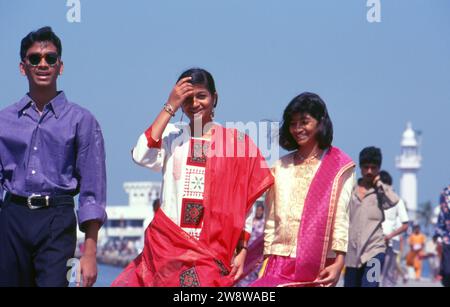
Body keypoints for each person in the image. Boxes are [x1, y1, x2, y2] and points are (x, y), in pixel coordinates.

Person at [112, 68, 273, 287]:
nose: (194, 103)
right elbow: (141, 155)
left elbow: (245, 204)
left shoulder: (235, 145)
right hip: (168, 247)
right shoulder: (171, 136)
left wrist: (243, 249)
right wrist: (170, 105)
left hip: (211, 251)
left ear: (214, 98)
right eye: (187, 98)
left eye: (201, 96)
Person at [0, 27, 106, 287]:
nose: (43, 64)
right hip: (11, 218)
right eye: (35, 58)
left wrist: (89, 253)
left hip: (57, 220)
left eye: (50, 58)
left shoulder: (82, 121)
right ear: (23, 67)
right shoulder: (3, 121)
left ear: (61, 66)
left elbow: (93, 191)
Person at [251, 92, 356, 287]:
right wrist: (266, 262)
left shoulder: (339, 166)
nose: (298, 129)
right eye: (293, 123)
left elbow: (341, 217)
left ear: (320, 122)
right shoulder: (280, 166)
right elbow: (271, 219)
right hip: (278, 261)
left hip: (318, 263)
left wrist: (340, 261)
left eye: (304, 122)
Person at [344, 147, 400, 287]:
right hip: (352, 253)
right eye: (366, 167)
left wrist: (379, 183)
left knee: (371, 284)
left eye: (373, 168)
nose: (369, 171)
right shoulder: (351, 189)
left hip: (375, 250)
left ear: (378, 169)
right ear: (361, 168)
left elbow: (393, 201)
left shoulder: (381, 191)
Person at [379, 170, 409, 287]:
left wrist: (390, 236)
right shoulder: (374, 199)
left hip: (391, 243)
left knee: (389, 277)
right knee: (373, 276)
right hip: (375, 244)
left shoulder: (398, 201)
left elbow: (405, 224)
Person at [236, 203, 265, 287]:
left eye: (261, 210)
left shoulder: (264, 224)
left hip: (256, 255)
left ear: (263, 211)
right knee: (242, 271)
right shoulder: (251, 221)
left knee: (253, 271)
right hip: (245, 251)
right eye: (258, 210)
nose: (259, 212)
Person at [435, 185, 450, 287]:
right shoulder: (445, 192)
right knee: (447, 271)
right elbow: (442, 215)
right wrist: (438, 234)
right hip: (447, 238)